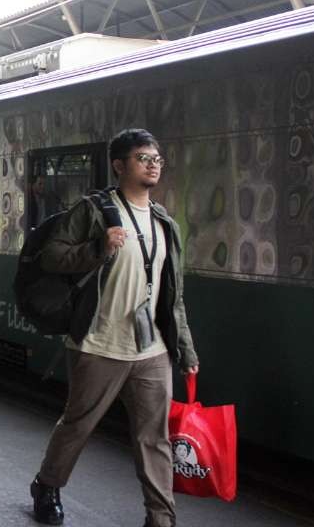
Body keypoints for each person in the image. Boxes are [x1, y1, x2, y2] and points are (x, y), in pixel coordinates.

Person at [29, 128, 199, 527]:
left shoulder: (163, 222)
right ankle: (47, 485)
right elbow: (51, 256)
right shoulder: (93, 211)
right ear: (119, 165)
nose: (154, 164)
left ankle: (161, 517)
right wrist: (96, 249)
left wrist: (186, 350)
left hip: (152, 348)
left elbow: (172, 295)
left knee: (153, 438)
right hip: (98, 343)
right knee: (78, 425)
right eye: (144, 158)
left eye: (157, 158)